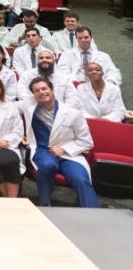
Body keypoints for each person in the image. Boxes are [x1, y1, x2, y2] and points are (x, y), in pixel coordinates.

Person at [25, 77, 99, 208]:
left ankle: (92, 213)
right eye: (37, 91)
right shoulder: (29, 109)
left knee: (80, 178)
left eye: (44, 88)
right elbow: (6, 108)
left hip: (69, 155)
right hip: (43, 150)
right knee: (48, 165)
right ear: (34, 95)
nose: (41, 92)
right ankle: (45, 205)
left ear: (52, 90)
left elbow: (87, 141)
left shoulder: (73, 113)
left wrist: (64, 149)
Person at [57, 26, 121, 85]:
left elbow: (113, 71)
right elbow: (62, 72)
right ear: (76, 39)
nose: (83, 40)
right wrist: (76, 83)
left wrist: (109, 82)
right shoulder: (66, 54)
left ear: (91, 37)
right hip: (75, 86)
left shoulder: (104, 56)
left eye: (86, 37)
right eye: (80, 38)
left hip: (98, 86)